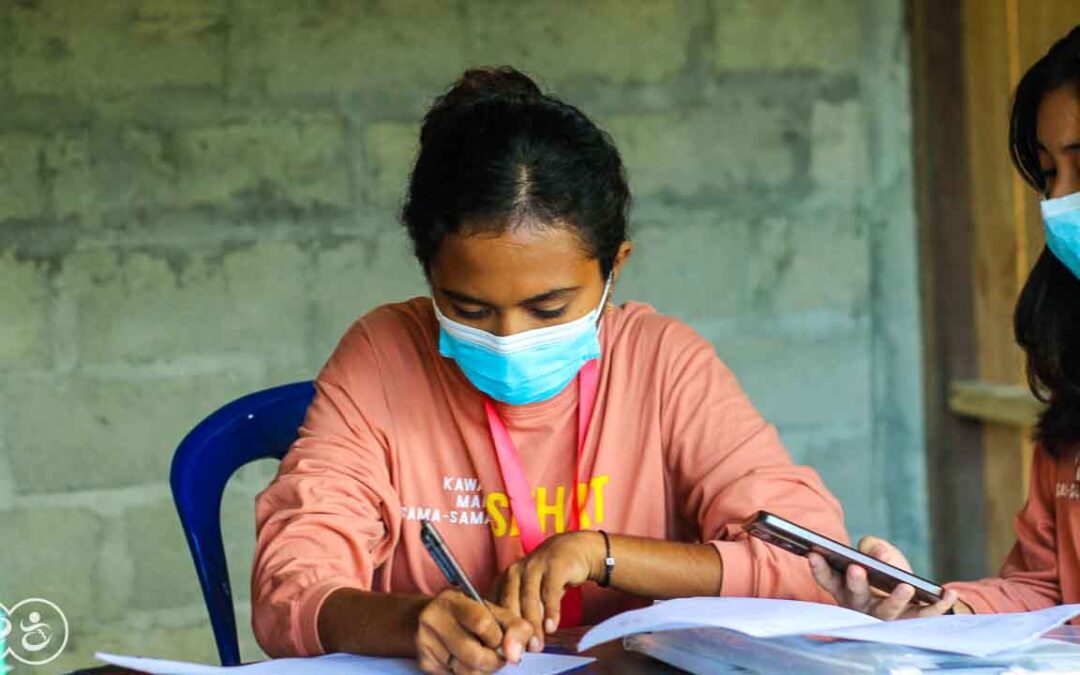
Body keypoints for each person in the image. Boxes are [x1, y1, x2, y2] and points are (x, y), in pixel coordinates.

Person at [251, 66, 848, 674]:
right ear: (428, 275)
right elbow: (291, 589)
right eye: (469, 308)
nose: (509, 338)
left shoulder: (662, 364)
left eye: (548, 308)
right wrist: (413, 622)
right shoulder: (383, 357)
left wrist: (601, 554)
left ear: (615, 268)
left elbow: (811, 563)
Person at [811, 26, 1080, 621]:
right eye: (1048, 173)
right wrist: (939, 612)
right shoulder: (1072, 365)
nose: (1060, 200)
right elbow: (1047, 589)